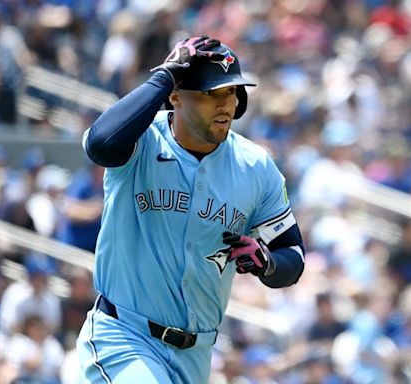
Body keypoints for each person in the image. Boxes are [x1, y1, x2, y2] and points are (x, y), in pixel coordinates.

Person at [76, 35, 306, 383]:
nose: (225, 104)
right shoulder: (140, 142)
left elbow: (294, 255)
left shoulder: (255, 167)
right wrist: (165, 75)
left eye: (231, 92)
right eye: (210, 93)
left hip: (197, 356)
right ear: (175, 96)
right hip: (123, 337)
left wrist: (268, 263)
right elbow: (100, 144)